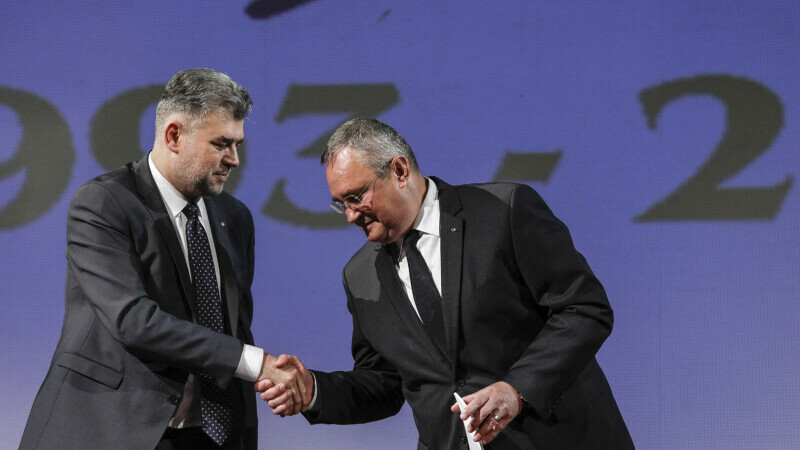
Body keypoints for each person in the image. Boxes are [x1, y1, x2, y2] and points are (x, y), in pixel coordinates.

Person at [257, 117, 634, 449]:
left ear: (400, 171)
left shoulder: (502, 212)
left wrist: (517, 389)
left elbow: (583, 308)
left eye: (356, 197)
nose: (351, 216)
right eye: (341, 204)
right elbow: (385, 384)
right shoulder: (361, 276)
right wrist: (314, 390)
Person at [20, 68, 310, 450]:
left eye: (237, 144)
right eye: (222, 144)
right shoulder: (105, 203)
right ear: (174, 136)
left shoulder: (235, 217)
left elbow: (233, 330)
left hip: (208, 436)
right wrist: (257, 363)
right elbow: (133, 321)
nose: (234, 159)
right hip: (111, 432)